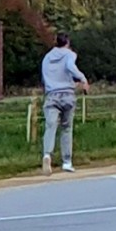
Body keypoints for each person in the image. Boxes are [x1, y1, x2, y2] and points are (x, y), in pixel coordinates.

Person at [39, 31, 88, 172]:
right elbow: (70, 67)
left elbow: (44, 77)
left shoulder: (47, 57)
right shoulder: (69, 54)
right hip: (67, 95)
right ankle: (67, 161)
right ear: (67, 43)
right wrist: (82, 79)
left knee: (50, 126)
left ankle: (47, 154)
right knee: (66, 128)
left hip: (51, 95)